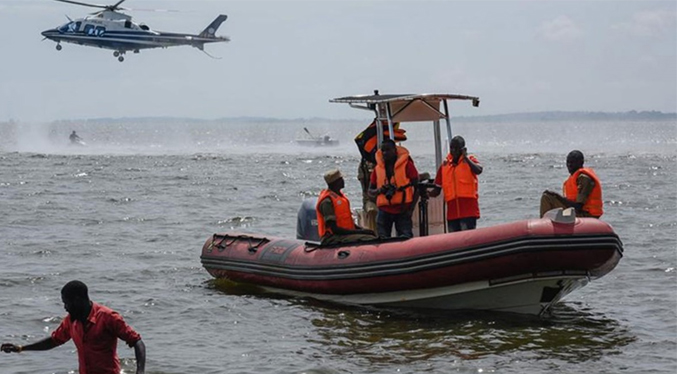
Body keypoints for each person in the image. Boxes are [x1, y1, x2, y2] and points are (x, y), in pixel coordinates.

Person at [1, 280, 146, 374]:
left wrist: (140, 372)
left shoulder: (108, 317)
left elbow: (137, 342)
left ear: (78, 300)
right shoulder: (71, 321)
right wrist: (21, 348)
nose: (65, 308)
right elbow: (53, 341)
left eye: (66, 303)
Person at [429, 136, 483, 232]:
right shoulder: (445, 166)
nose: (453, 151)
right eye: (451, 148)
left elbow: (479, 170)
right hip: (452, 212)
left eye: (456, 148)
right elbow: (437, 190)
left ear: (462, 149)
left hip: (468, 211)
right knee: (455, 241)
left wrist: (465, 157)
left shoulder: (470, 160)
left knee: (468, 240)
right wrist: (426, 194)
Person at [368, 138, 419, 238]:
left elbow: (417, 187)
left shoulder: (407, 165)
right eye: (383, 150)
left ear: (395, 150)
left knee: (406, 237)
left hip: (403, 209)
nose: (385, 153)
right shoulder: (377, 169)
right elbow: (370, 191)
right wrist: (380, 190)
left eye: (388, 150)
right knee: (382, 238)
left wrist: (411, 209)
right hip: (384, 210)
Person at [316, 169, 376, 245]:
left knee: (371, 234)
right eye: (341, 179)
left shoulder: (340, 197)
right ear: (335, 183)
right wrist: (360, 232)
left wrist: (363, 230)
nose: (343, 181)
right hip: (332, 237)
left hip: (343, 234)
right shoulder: (327, 202)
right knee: (369, 239)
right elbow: (334, 229)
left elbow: (348, 223)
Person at [540, 150, 603, 218]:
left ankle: (544, 223)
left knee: (547, 197)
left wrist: (556, 196)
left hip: (587, 214)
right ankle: (549, 223)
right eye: (568, 162)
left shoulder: (584, 179)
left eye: (573, 162)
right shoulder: (571, 180)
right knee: (549, 196)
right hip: (576, 212)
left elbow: (578, 207)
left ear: (581, 163)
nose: (569, 165)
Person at [357, 158, 377, 232]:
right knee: (372, 210)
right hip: (370, 199)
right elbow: (365, 189)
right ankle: (375, 236)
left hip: (388, 198)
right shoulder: (364, 164)